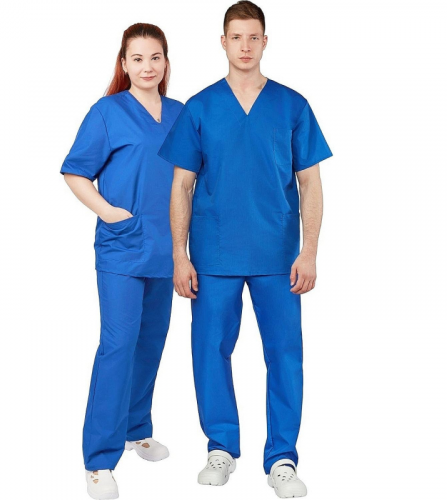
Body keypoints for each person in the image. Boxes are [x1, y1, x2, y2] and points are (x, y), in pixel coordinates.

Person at [158, 2, 332, 498]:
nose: (245, 46)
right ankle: (221, 448)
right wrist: (179, 255)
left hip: (279, 255)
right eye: (236, 37)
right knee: (210, 351)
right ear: (223, 42)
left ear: (265, 42)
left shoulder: (292, 105)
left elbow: (310, 183)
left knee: (285, 356)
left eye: (254, 37)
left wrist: (309, 250)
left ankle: (282, 458)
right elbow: (181, 185)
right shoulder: (200, 107)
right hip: (214, 255)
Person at [60, 23, 183, 500]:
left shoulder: (181, 113)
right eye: (138, 58)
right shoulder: (107, 112)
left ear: (166, 62)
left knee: (151, 342)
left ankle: (136, 429)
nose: (147, 67)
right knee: (117, 346)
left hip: (169, 249)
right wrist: (110, 213)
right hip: (122, 247)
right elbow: (75, 171)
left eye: (156, 57)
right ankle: (99, 458)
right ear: (124, 64)